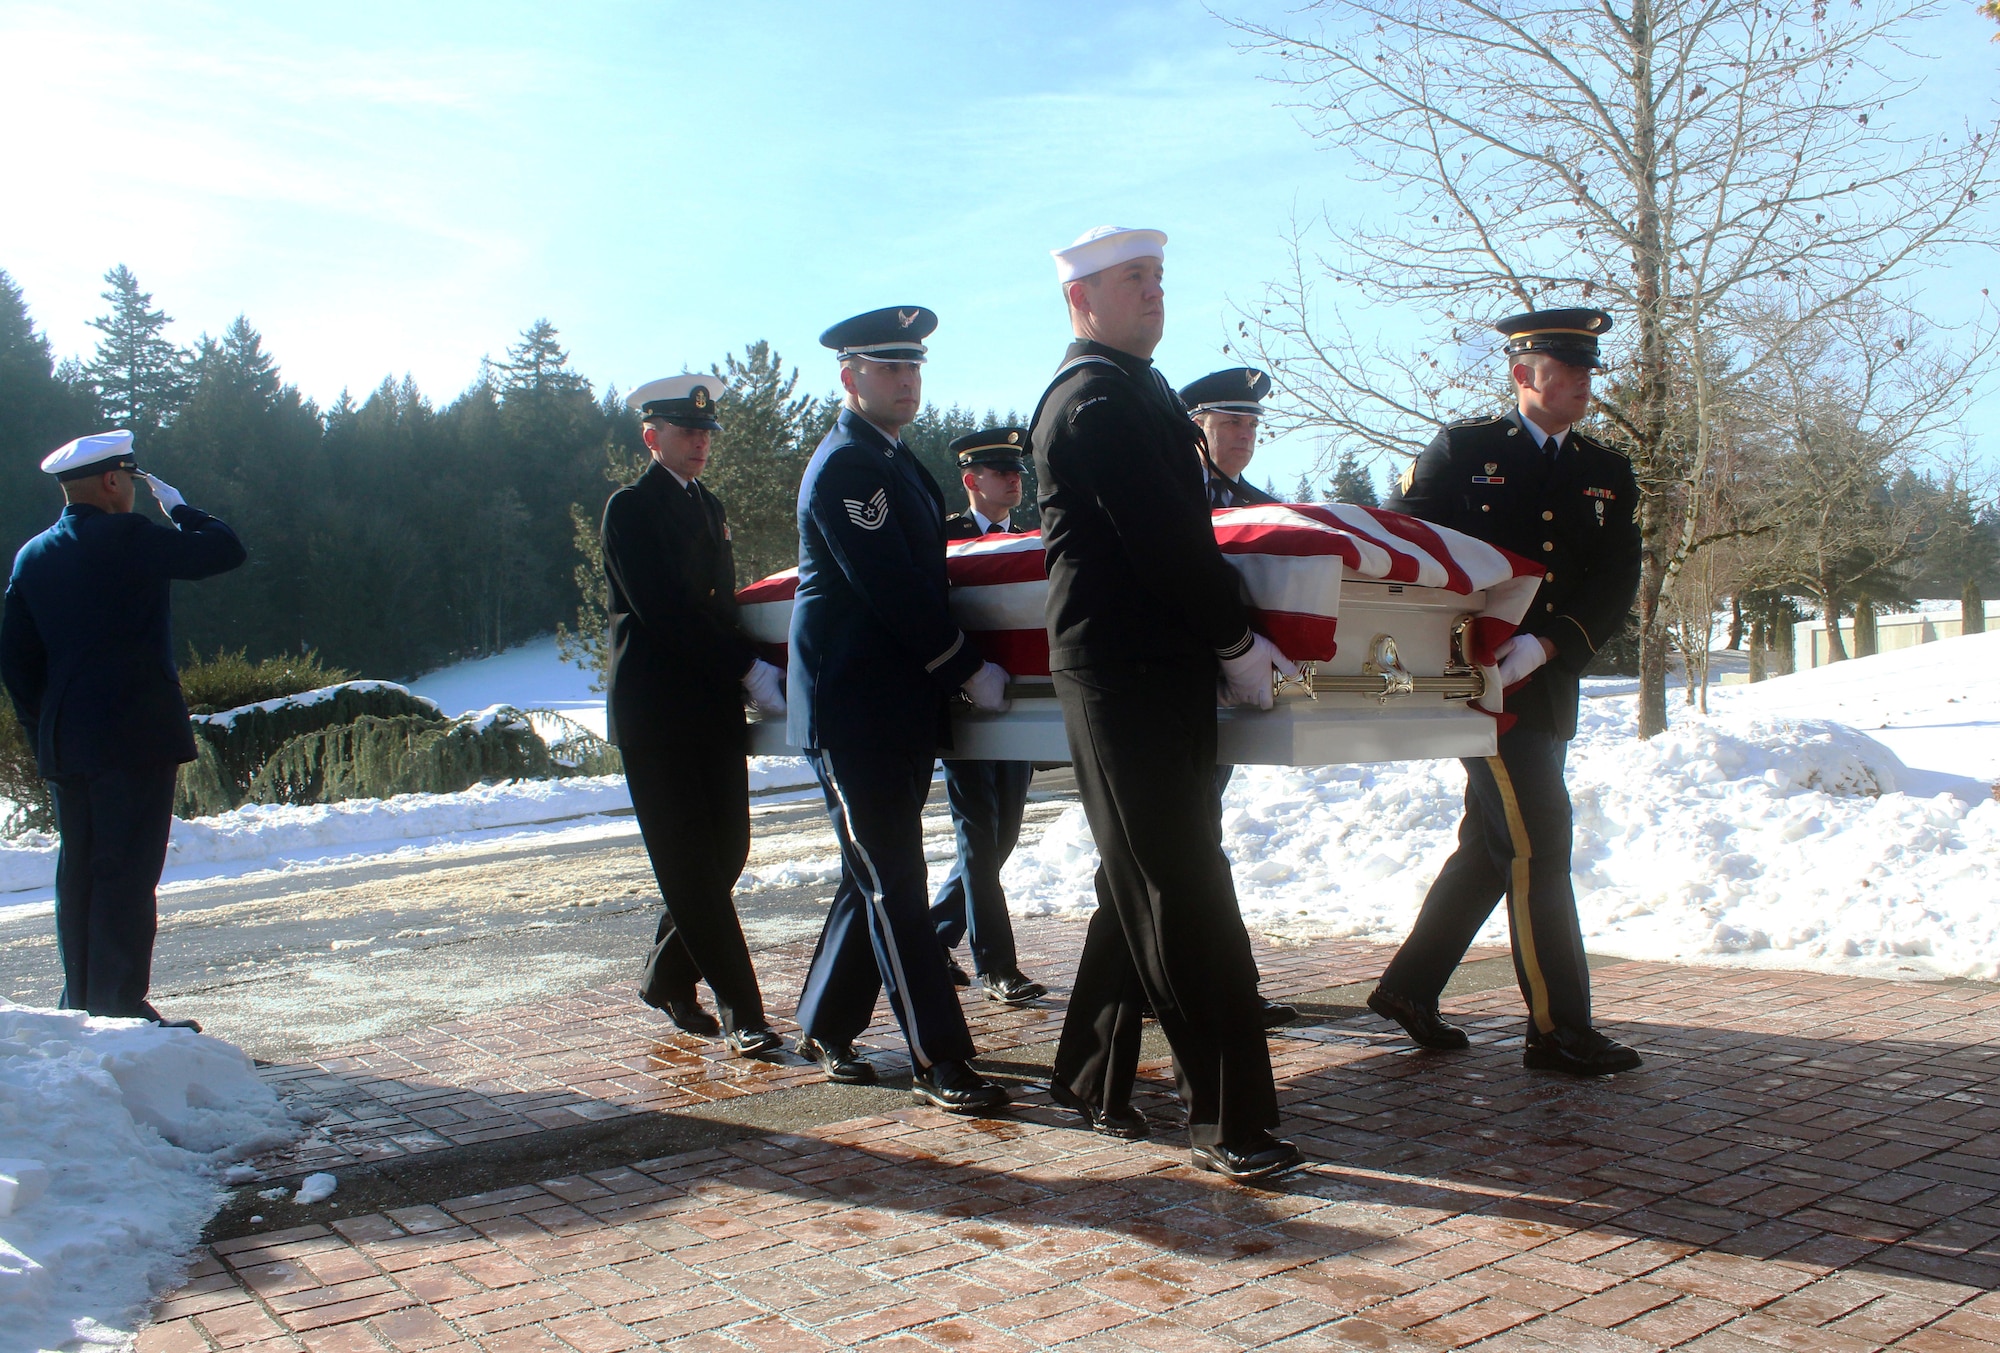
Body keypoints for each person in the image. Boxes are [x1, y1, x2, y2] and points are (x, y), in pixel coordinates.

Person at [1032, 225, 1304, 1182]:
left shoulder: (1140, 389)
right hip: (1120, 672)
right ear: (1082, 300)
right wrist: (1236, 635)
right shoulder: (1092, 401)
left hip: (1161, 667)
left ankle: (1089, 1071)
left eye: (1157, 276)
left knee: (1145, 879)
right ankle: (1227, 1119)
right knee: (1180, 889)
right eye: (1132, 280)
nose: (1154, 292)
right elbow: (1165, 543)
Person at [1369, 308, 1644, 1076]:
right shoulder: (1466, 452)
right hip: (1479, 688)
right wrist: (1479, 646)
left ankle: (1408, 986)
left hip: (1548, 683)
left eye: (1590, 368)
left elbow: (1615, 578)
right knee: (1539, 840)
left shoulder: (1606, 470)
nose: (1586, 382)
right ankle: (1558, 1028)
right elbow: (1409, 555)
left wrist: (1550, 643)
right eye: (1570, 368)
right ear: (1525, 374)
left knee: (1494, 848)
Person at [788, 306, 1012, 1113]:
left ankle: (823, 1022)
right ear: (850, 377)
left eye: (914, 367)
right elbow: (892, 589)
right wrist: (962, 665)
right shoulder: (849, 466)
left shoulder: (895, 462)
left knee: (872, 874)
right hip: (853, 710)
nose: (907, 380)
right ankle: (939, 1056)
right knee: (895, 883)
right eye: (889, 368)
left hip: (894, 705)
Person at [1, 431, 245, 1029]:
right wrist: (182, 510)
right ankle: (118, 1008)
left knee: (79, 872)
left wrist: (45, 731)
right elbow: (222, 551)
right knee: (127, 872)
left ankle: (81, 1001)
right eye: (130, 482)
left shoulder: (33, 554)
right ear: (114, 481)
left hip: (67, 739)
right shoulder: (125, 537)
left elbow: (16, 660)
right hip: (131, 735)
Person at [603, 374, 784, 1058]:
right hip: (657, 714)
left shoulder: (710, 506)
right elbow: (667, 611)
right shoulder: (630, 508)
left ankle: (664, 975)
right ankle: (745, 1009)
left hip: (710, 706)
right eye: (687, 431)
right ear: (652, 437)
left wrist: (753, 663)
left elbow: (720, 608)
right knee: (688, 866)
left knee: (727, 852)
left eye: (707, 432)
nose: (701, 442)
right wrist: (745, 667)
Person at [930, 427, 1047, 1007]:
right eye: (1002, 472)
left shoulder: (1030, 543)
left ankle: (932, 936)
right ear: (972, 480)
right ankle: (996, 966)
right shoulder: (942, 538)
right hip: (965, 705)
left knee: (1000, 840)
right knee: (979, 837)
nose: (1014, 479)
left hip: (1018, 710)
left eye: (1018, 471)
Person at [1180, 367, 1277, 508]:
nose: (1248, 435)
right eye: (1234, 422)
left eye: (1253, 425)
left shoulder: (1270, 513)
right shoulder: (1160, 497)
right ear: (1197, 428)